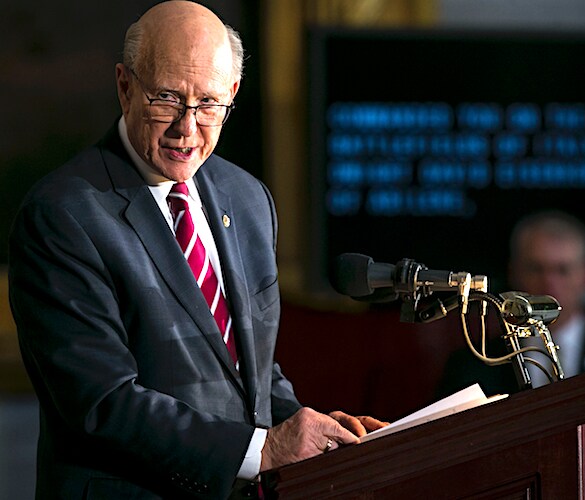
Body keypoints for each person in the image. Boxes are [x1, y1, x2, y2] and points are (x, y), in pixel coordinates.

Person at [8, 2, 386, 499]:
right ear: (125, 87)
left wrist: (304, 428)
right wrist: (262, 450)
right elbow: (102, 402)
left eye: (208, 103)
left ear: (231, 95)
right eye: (167, 98)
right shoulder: (63, 215)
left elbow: (251, 368)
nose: (187, 128)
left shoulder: (249, 198)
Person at [437, 209, 585, 398]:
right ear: (513, 272)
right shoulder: (473, 364)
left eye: (562, 270)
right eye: (536, 269)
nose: (549, 282)